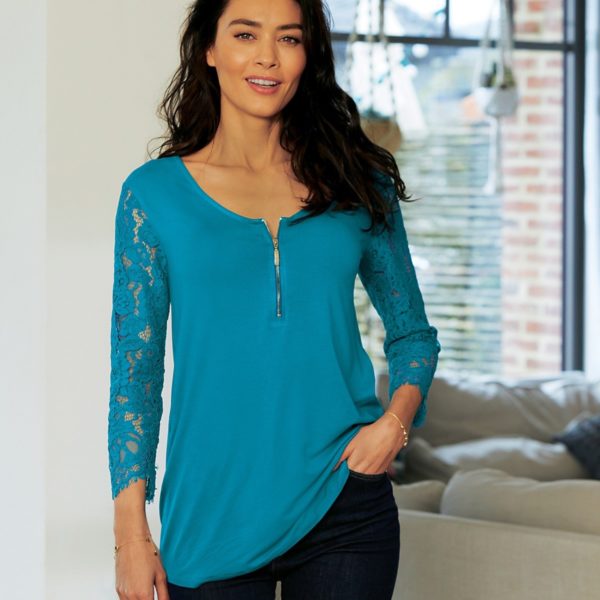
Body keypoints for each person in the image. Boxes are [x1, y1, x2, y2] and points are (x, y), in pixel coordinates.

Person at [108, 0, 441, 598]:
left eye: (289, 38)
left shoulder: (354, 182)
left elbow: (412, 333)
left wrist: (394, 423)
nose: (267, 57)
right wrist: (131, 537)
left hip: (344, 503)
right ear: (209, 49)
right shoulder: (154, 196)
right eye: (245, 34)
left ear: (307, 55)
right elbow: (136, 373)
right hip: (212, 510)